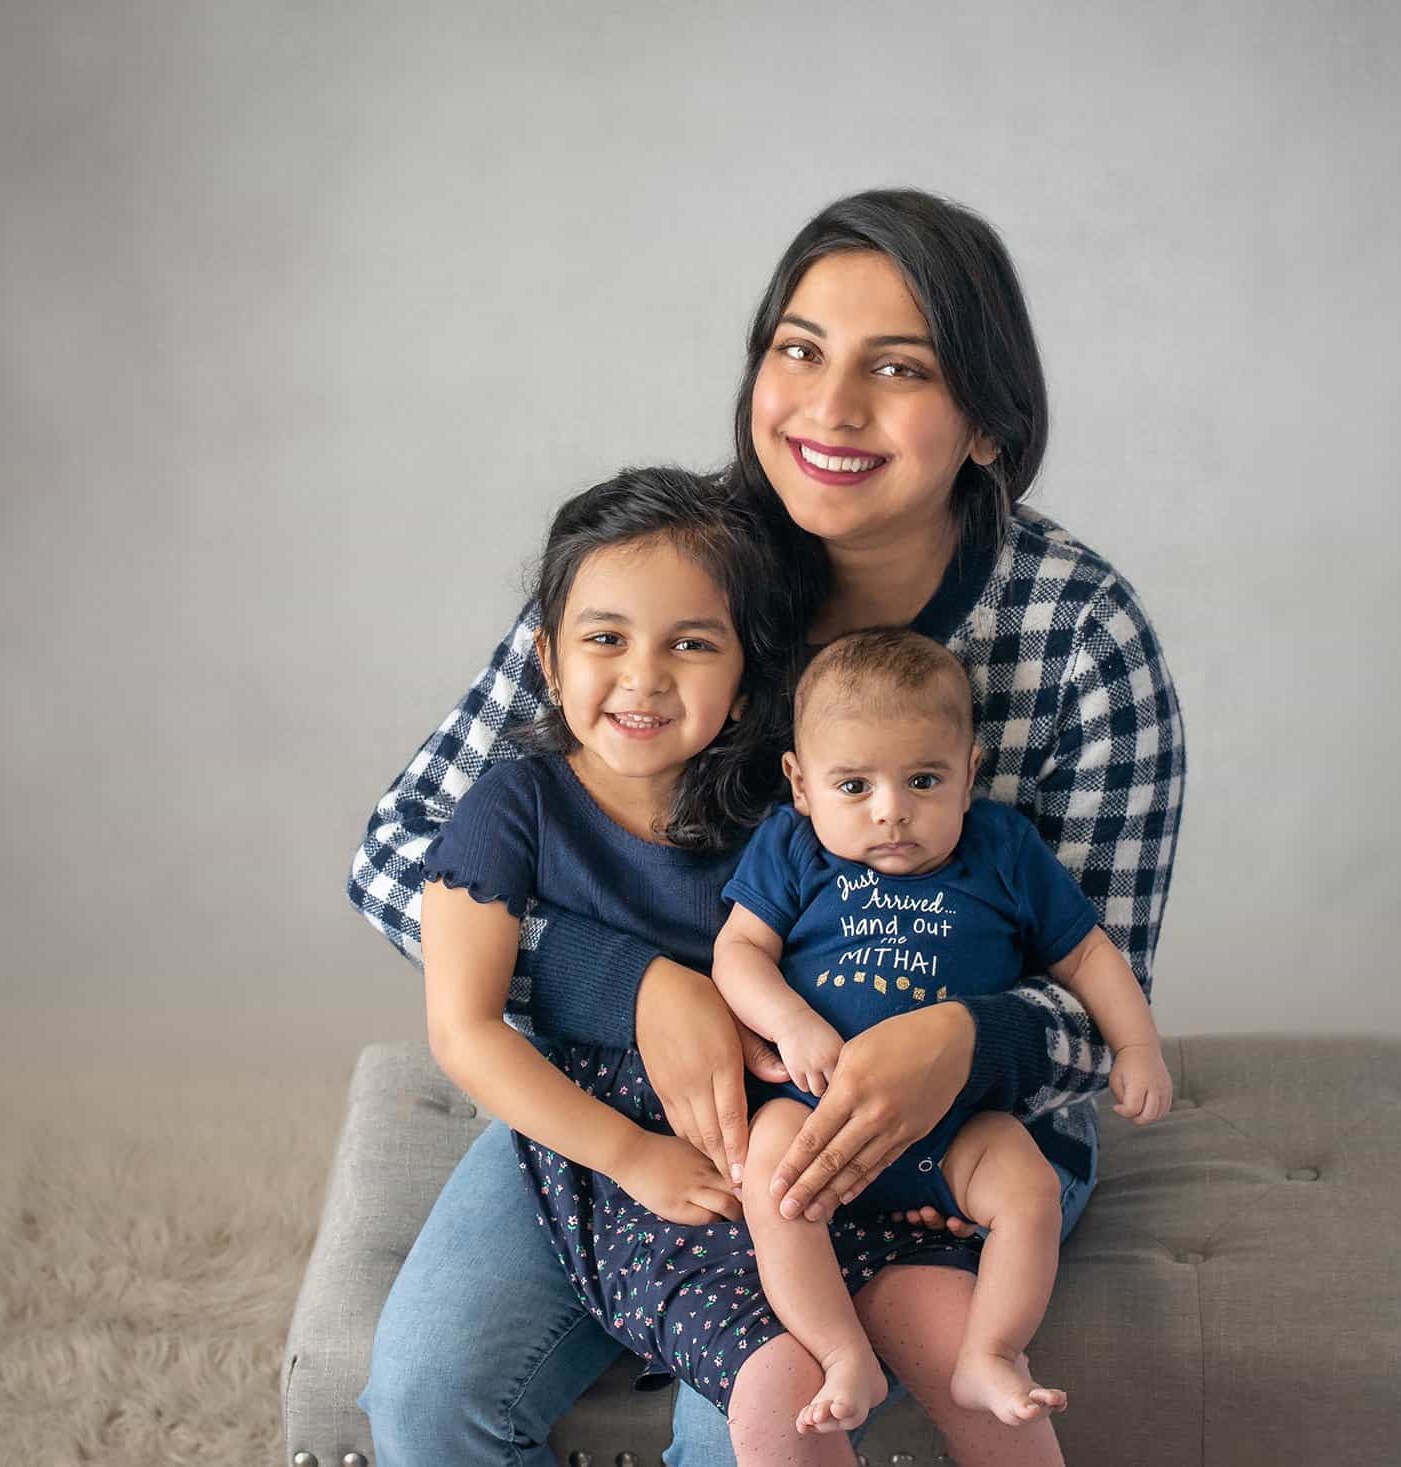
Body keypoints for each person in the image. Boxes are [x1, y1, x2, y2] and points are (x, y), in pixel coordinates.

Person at [355, 188, 1186, 1467]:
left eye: (895, 369)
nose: (829, 409)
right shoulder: (665, 572)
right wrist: (623, 982)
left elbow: (1100, 991)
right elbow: (403, 849)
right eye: (796, 351)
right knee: (429, 1397)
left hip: (952, 1131)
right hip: (635, 1097)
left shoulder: (1081, 641)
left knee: (754, 1416)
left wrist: (965, 1042)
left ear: (985, 425)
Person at [411, 466, 986, 1465]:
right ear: (547, 658)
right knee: (430, 1394)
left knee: (779, 1392)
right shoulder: (512, 807)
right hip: (590, 1133)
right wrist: (628, 1155)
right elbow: (461, 1030)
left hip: (769, 1137)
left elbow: (890, 966)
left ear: (743, 674)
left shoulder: (793, 812)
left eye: (690, 644)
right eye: (605, 639)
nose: (641, 678)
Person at [713, 628, 1173, 1446]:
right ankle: (839, 1348)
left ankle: (991, 1350)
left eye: (923, 779)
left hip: (957, 1121)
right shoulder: (791, 850)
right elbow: (738, 952)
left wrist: (1137, 1046)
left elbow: (1090, 953)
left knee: (1025, 1188)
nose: (890, 809)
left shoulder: (1001, 849)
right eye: (853, 785)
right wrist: (791, 1021)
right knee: (770, 1178)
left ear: (970, 773)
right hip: (819, 1112)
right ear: (802, 784)